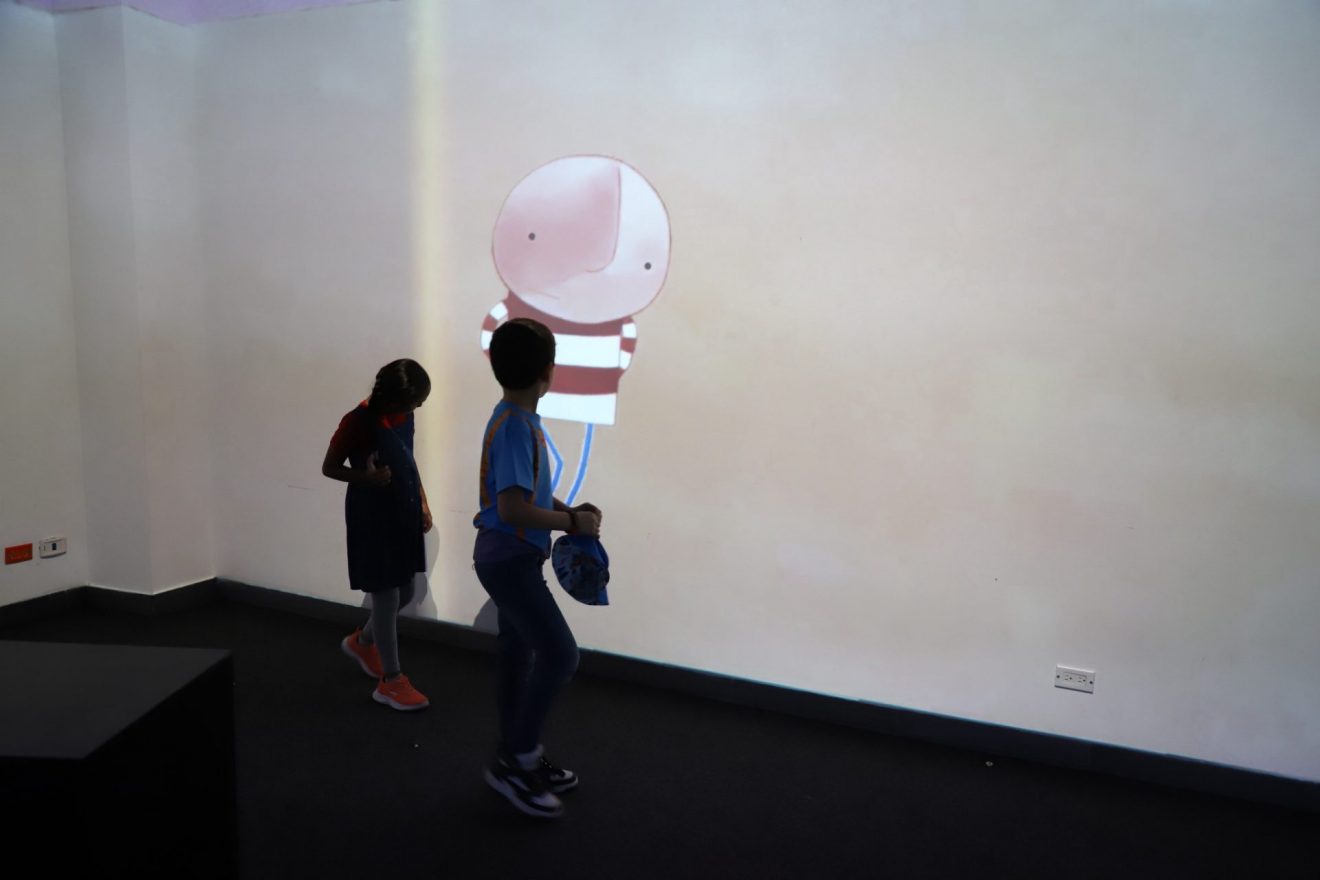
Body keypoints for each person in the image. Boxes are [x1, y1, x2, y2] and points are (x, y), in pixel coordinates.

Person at [473, 318, 602, 818]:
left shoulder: (517, 419)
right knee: (560, 655)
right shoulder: (515, 427)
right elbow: (512, 509)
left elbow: (529, 496)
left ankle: (517, 754)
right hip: (509, 562)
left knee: (517, 655)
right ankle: (516, 760)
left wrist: (570, 513)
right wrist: (571, 521)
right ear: (549, 371)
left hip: (509, 558)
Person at [322, 359, 433, 711]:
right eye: (416, 401)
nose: (419, 407)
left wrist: (422, 502)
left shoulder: (404, 415)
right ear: (397, 398)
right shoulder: (356, 422)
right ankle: (392, 681)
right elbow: (329, 467)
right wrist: (365, 478)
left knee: (406, 591)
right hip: (372, 517)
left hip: (401, 512)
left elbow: (408, 460)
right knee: (386, 596)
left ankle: (363, 642)